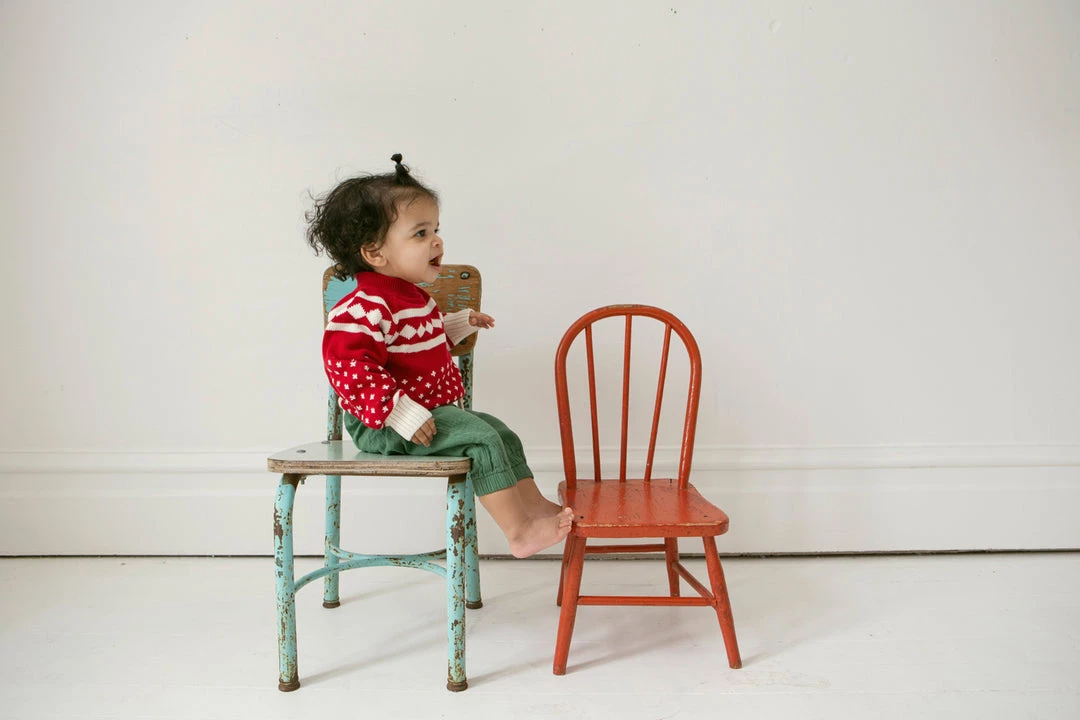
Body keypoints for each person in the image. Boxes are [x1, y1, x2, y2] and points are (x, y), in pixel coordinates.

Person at [305, 154, 574, 558]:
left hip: (431, 413)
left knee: (499, 432)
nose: (437, 241)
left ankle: (534, 509)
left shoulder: (415, 298)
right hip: (385, 424)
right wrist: (399, 413)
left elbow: (418, 343)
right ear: (375, 253)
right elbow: (349, 370)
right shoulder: (360, 308)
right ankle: (518, 532)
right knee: (482, 439)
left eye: (435, 230)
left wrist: (459, 324)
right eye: (420, 233)